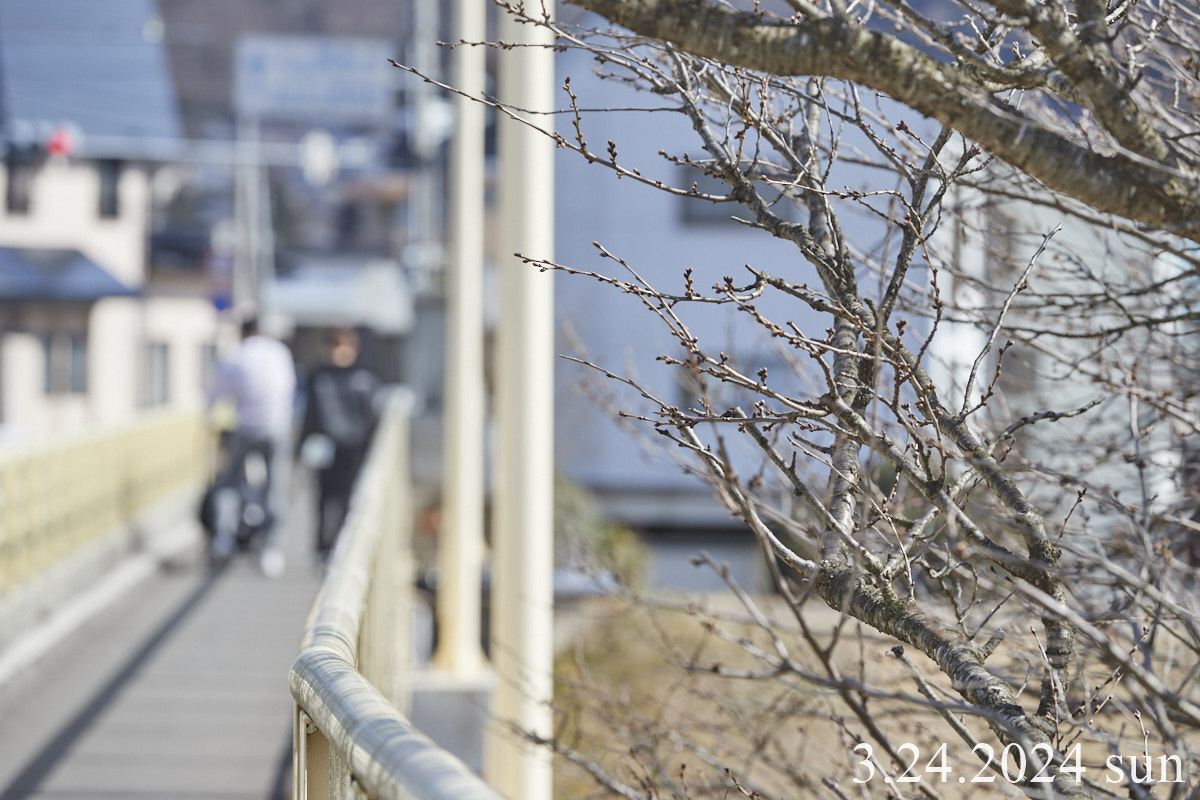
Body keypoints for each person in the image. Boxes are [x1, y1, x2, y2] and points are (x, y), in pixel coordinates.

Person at [206, 317, 297, 576]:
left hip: (245, 427)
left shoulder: (236, 355)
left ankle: (224, 538)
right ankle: (271, 549)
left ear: (243, 332)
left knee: (230, 484)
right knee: (275, 488)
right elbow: (289, 388)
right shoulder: (280, 352)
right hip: (278, 426)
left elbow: (216, 392)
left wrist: (209, 418)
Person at [298, 327, 381, 562]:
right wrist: (302, 445)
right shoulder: (318, 376)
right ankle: (323, 547)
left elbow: (371, 417)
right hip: (325, 446)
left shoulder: (364, 377)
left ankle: (341, 547)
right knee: (323, 498)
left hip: (354, 448)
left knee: (349, 499)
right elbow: (309, 414)